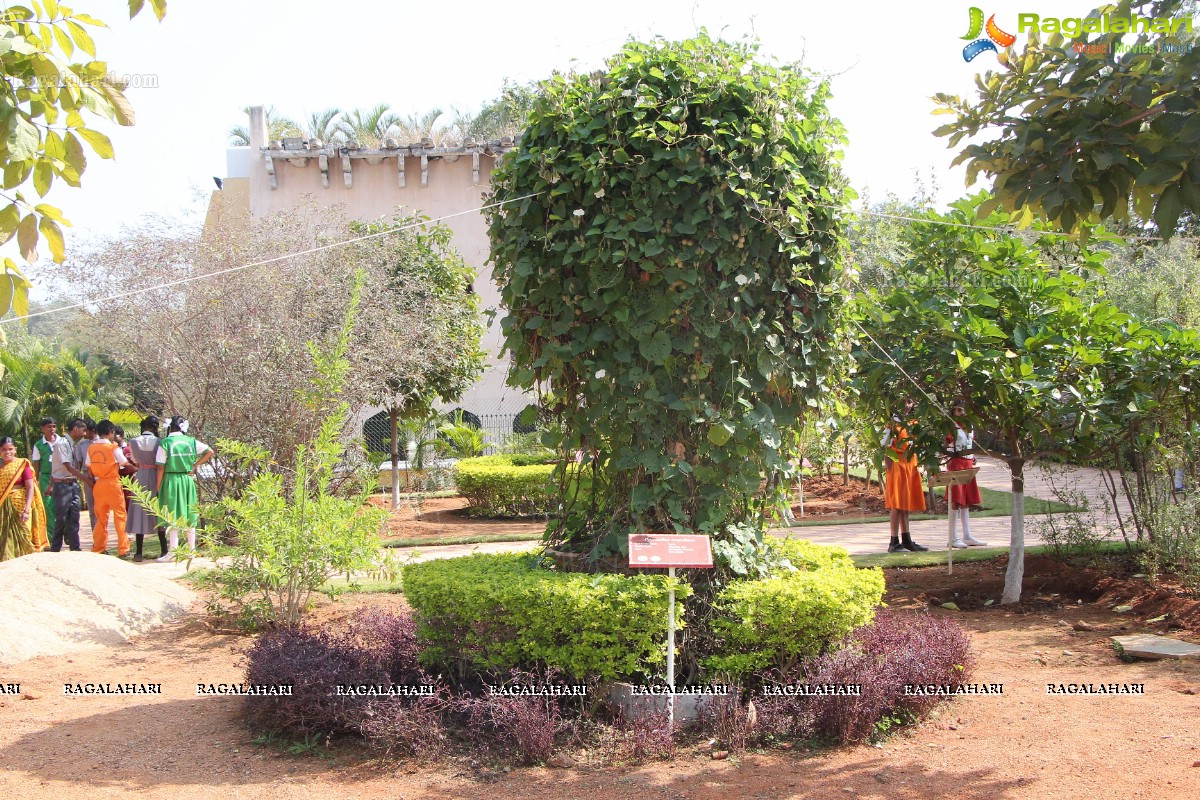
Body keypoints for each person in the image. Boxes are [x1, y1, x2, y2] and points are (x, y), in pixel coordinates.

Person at [155, 416, 213, 562]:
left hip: (171, 480)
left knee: (172, 514)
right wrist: (195, 465)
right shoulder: (191, 441)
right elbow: (209, 451)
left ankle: (173, 552)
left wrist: (158, 486)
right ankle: (191, 550)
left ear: (169, 427)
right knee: (189, 513)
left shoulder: (165, 442)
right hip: (187, 480)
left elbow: (160, 467)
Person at [883, 398, 928, 553]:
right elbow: (886, 448)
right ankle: (893, 541)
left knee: (905, 505)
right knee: (897, 504)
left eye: (910, 402)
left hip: (910, 465)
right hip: (898, 467)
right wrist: (890, 470)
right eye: (904, 402)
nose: (907, 406)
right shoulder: (892, 424)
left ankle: (906, 539)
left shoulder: (913, 423)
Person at [944, 401, 987, 548]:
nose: (959, 413)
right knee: (956, 500)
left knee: (966, 501)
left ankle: (967, 535)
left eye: (961, 410)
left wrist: (971, 455)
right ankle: (952, 537)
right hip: (956, 464)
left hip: (967, 463)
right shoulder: (951, 427)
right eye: (956, 410)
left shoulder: (969, 426)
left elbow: (968, 444)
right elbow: (946, 445)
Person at [86, 420, 130, 557]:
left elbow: (88, 466)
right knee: (120, 515)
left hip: (98, 484)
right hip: (112, 483)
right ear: (111, 432)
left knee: (100, 517)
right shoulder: (113, 447)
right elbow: (124, 462)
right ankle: (123, 549)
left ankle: (99, 547)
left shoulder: (91, 448)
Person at [43, 418, 89, 551]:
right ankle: (56, 548)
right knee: (61, 517)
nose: (84, 434)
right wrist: (87, 480)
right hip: (62, 485)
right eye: (83, 430)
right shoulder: (62, 444)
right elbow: (67, 466)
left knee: (74, 516)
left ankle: (75, 547)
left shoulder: (73, 445)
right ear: (75, 428)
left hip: (72, 484)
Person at [0, 437, 49, 560]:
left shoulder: (22, 464)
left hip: (21, 504)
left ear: (15, 449)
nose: (7, 452)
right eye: (4, 449)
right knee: (5, 536)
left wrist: (27, 510)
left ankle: (26, 562)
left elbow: (30, 487)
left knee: (23, 533)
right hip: (2, 506)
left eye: (10, 449)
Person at [127, 416, 166, 562]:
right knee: (159, 510)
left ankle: (138, 552)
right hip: (156, 476)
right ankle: (164, 549)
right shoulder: (159, 442)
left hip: (141, 475)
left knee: (140, 511)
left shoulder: (133, 441)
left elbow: (135, 461)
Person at [30, 418, 58, 537]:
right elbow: (36, 464)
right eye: (49, 426)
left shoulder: (61, 442)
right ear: (42, 429)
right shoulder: (38, 445)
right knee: (48, 506)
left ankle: (67, 534)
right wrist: (35, 480)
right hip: (46, 478)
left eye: (53, 426)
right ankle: (51, 538)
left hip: (61, 477)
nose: (52, 429)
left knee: (63, 506)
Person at [73, 419, 99, 532]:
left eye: (86, 431)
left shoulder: (102, 443)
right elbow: (78, 463)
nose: (84, 433)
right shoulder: (81, 444)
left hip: (101, 476)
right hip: (87, 477)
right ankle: (96, 538)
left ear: (92, 431)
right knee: (92, 509)